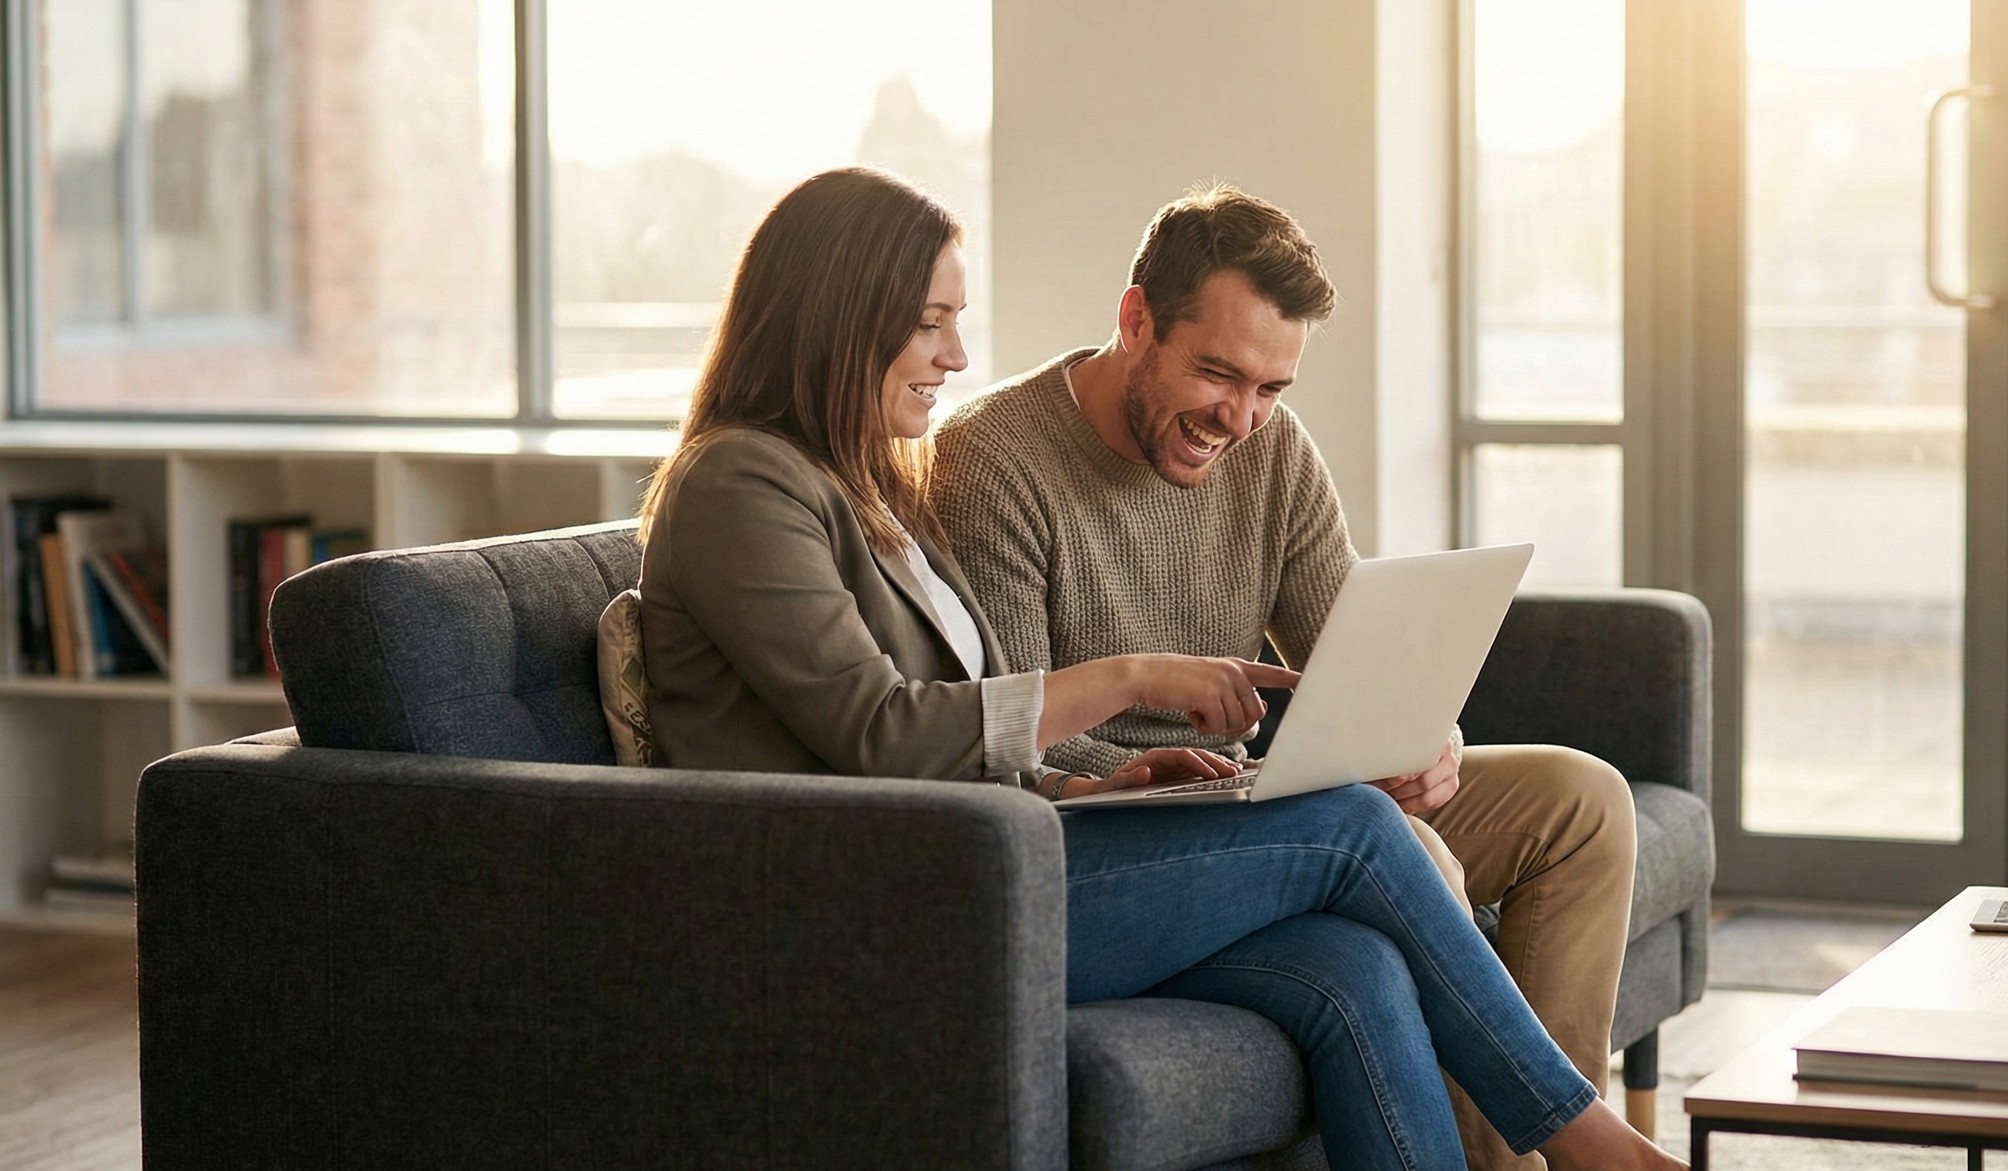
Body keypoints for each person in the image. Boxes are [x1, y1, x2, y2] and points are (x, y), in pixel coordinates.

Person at [635, 166, 1682, 1171]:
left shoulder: (854, 487)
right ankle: (1575, 1131)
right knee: (1358, 828)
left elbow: (958, 737)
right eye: (929, 321)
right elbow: (878, 733)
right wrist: (1132, 679)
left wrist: (1101, 784)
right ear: (833, 312)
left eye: (956, 319)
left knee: (1353, 968)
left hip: (1001, 847)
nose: (956, 353)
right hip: (907, 900)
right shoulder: (742, 484)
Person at [929, 183, 1641, 1170]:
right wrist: (1144, 765)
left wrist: (1424, 737)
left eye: (1270, 389)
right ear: (1136, 320)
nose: (1241, 417)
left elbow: (1353, 649)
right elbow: (1005, 730)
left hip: (1256, 794)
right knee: (1406, 851)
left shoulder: (1267, 451)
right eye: (1218, 374)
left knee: (1582, 802)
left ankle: (1536, 1142)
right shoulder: (989, 462)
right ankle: (1557, 1153)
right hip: (1112, 825)